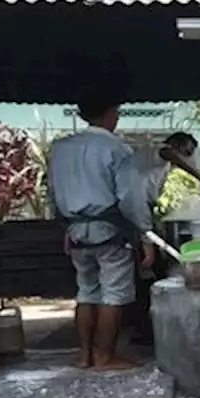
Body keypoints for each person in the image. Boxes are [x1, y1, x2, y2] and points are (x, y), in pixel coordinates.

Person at [47, 94, 153, 370]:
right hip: (109, 232)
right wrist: (145, 235)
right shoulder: (116, 149)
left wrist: (66, 226)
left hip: (76, 231)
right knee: (114, 294)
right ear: (109, 113)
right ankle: (105, 356)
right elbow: (131, 199)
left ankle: (84, 355)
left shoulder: (60, 148)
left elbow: (53, 194)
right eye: (116, 110)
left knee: (86, 291)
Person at [130, 132, 200, 345]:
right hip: (165, 239)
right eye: (185, 152)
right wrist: (148, 245)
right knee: (164, 285)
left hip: (198, 238)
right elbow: (144, 214)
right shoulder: (156, 177)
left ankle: (194, 330)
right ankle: (158, 332)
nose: (189, 157)